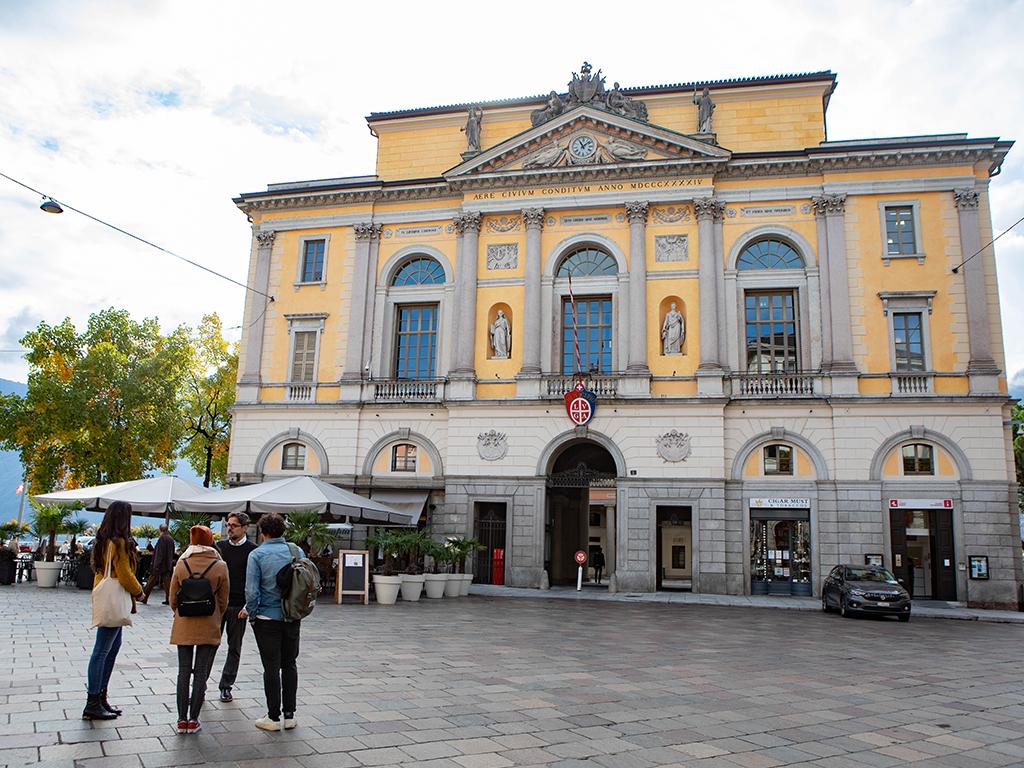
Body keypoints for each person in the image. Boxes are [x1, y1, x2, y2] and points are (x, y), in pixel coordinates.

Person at [83, 500, 145, 721]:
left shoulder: (102, 541)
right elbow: (124, 573)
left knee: (110, 648)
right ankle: (93, 701)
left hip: (105, 594)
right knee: (102, 651)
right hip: (113, 599)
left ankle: (100, 697)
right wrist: (139, 592)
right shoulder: (118, 542)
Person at [241, 513, 301, 732]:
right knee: (290, 664)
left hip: (267, 617)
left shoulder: (257, 555)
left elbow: (251, 590)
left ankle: (273, 717)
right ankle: (290, 715)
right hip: (292, 616)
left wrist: (253, 614)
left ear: (262, 532)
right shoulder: (296, 551)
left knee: (271, 667)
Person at [168, 526, 228, 734]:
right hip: (209, 623)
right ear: (210, 541)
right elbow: (223, 600)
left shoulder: (182, 564)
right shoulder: (220, 565)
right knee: (201, 671)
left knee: (183, 671)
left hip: (184, 621)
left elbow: (172, 597)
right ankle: (194, 719)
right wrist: (215, 615)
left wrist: (180, 611)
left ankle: (181, 720)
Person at [215, 512, 257, 703]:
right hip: (217, 605)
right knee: (210, 645)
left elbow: (256, 581)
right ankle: (201, 684)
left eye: (233, 525)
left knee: (235, 647)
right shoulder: (219, 547)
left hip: (239, 606)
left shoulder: (252, 551)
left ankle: (226, 686)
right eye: (228, 525)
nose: (229, 528)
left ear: (245, 528)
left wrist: (249, 606)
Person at [141, 524, 175, 605]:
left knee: (150, 581)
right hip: (167, 564)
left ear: (160, 530)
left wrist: (156, 565)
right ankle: (170, 600)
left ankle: (143, 598)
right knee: (167, 584)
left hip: (160, 565)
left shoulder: (162, 538)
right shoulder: (170, 539)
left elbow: (159, 553)